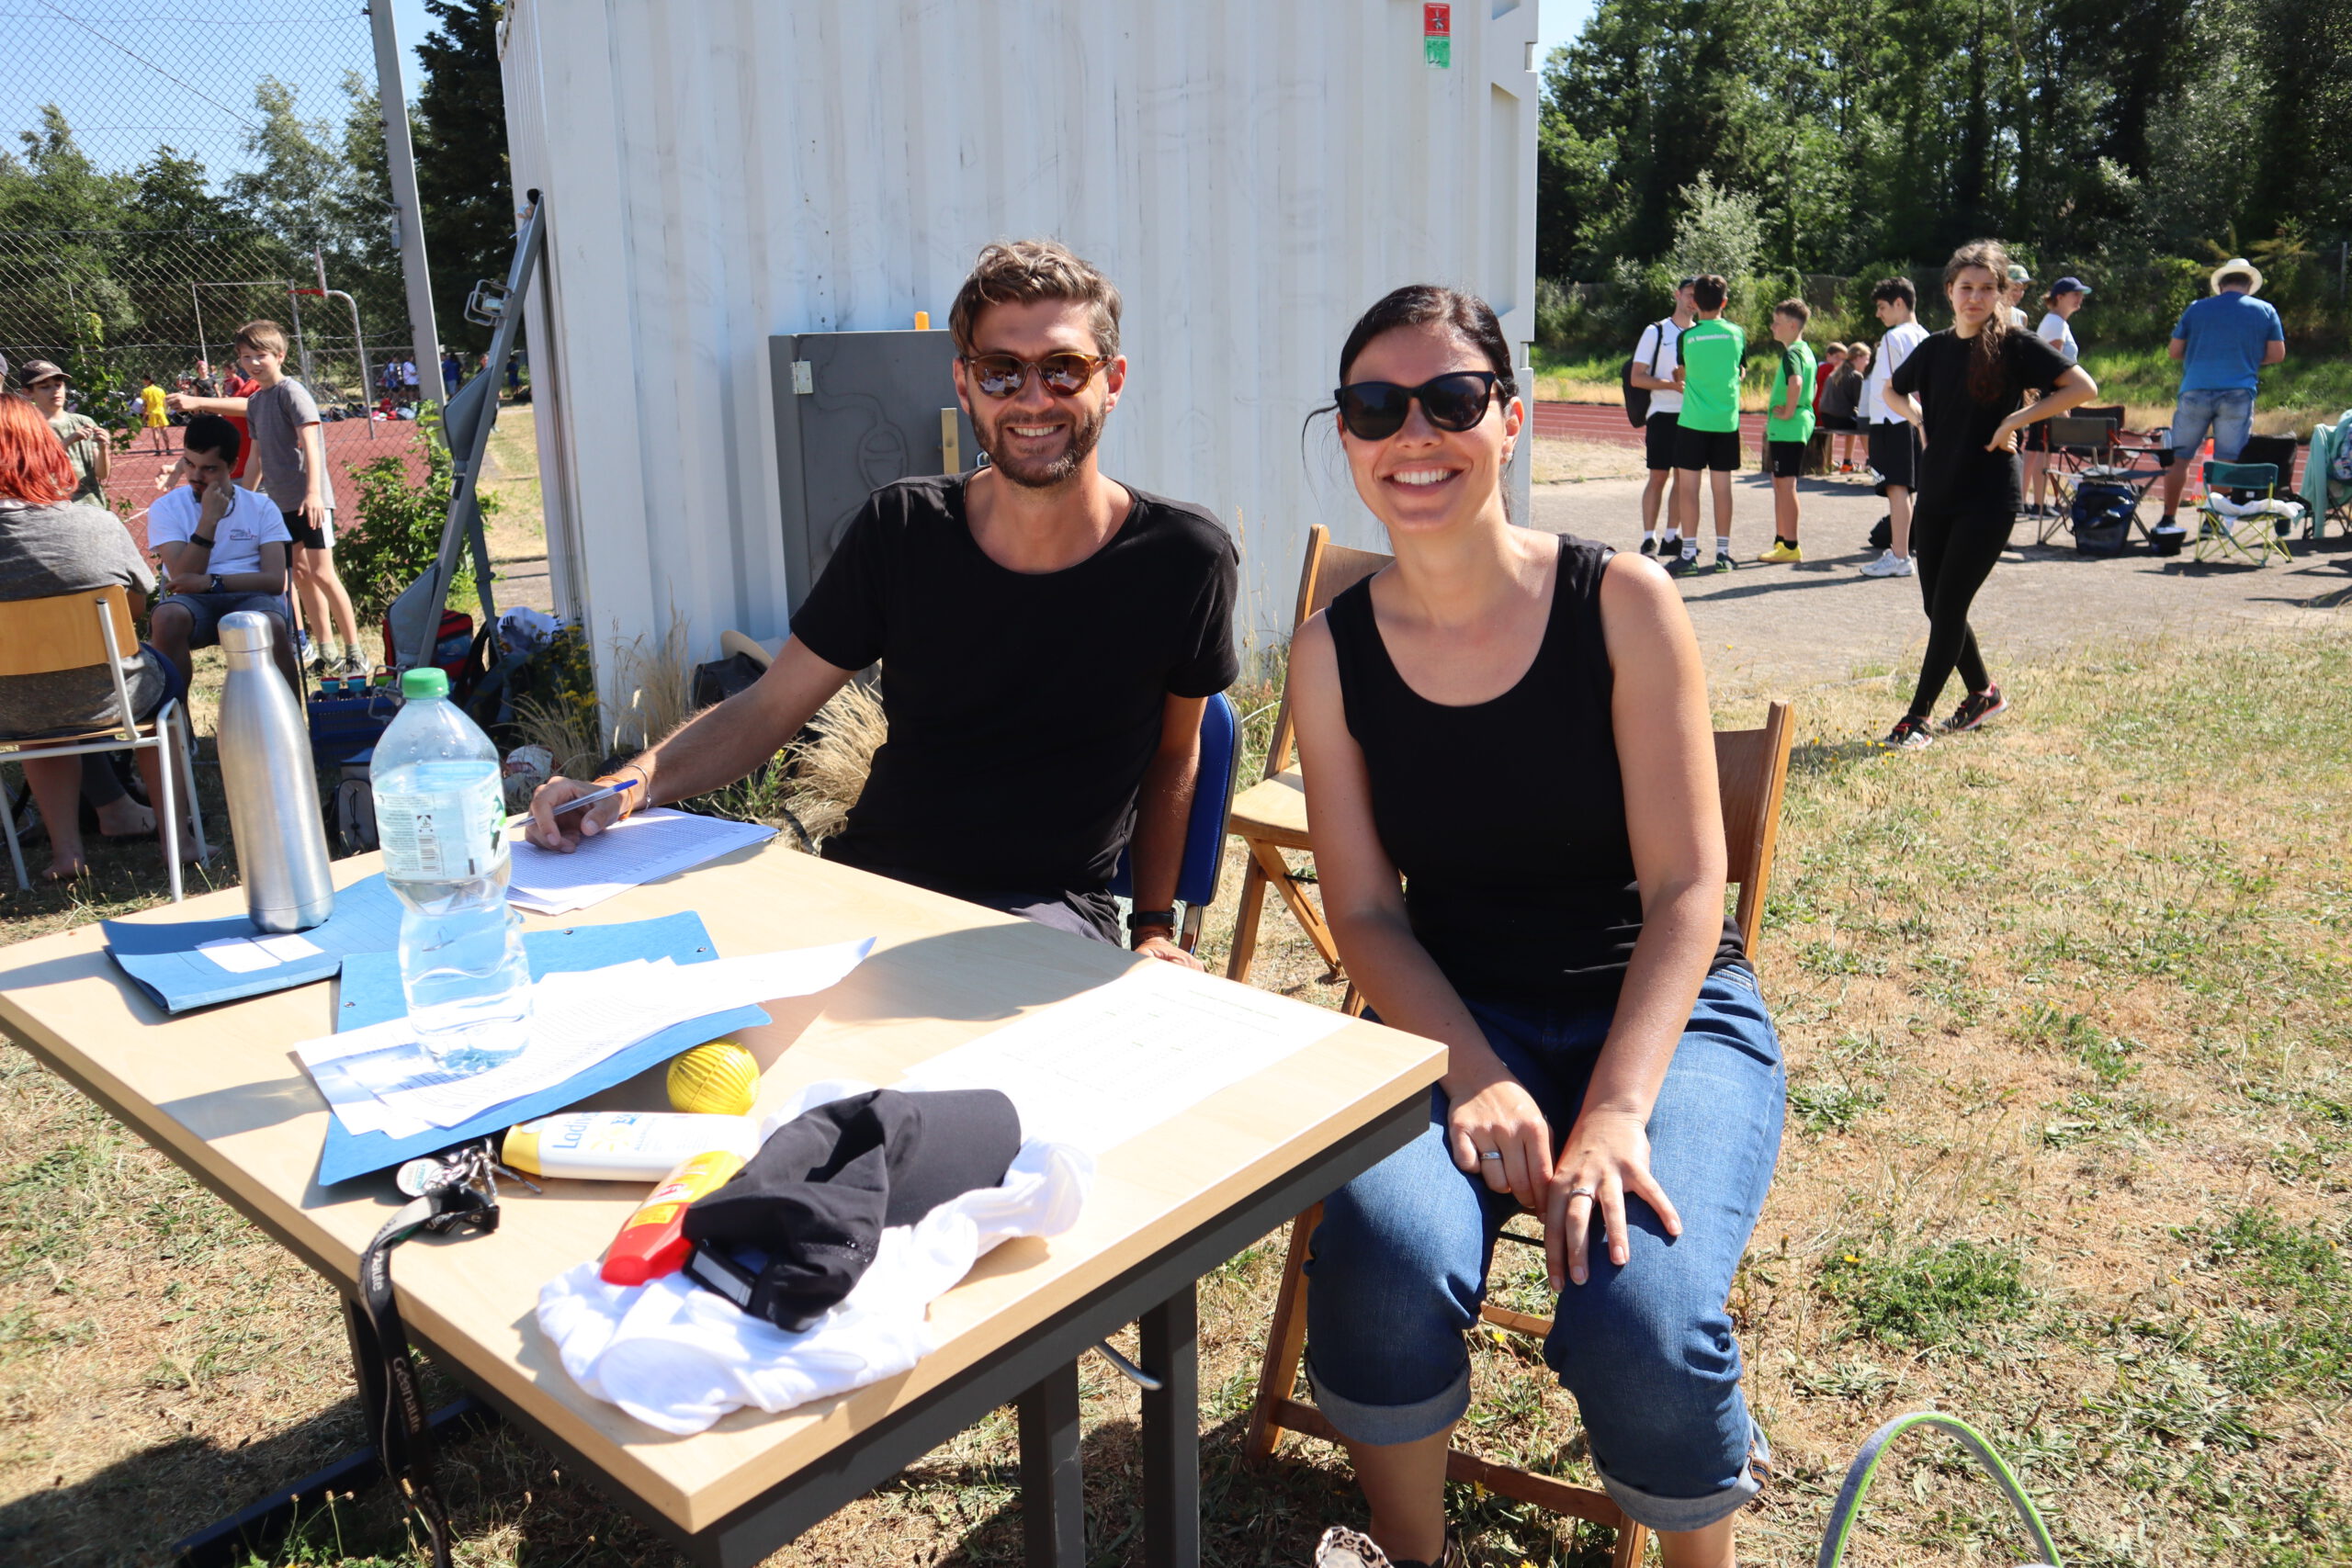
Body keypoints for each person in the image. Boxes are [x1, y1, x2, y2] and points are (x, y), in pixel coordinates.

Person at [1289, 283, 1783, 1568]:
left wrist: (1613, 1110)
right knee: (1379, 1256)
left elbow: (1689, 889)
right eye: (1375, 407)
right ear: (1347, 435)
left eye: (1451, 399)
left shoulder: (1621, 600)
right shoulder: (1330, 653)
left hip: (1663, 1015)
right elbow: (1363, 911)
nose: (1414, 434)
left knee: (1638, 1305)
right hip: (1457, 1012)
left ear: (1509, 419)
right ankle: (1410, 1551)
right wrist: (1475, 1069)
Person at [526, 240, 1236, 964]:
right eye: (1000, 370)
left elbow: (1177, 751)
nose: (1031, 397)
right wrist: (625, 786)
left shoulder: (1184, 557)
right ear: (964, 384)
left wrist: (1153, 926)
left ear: (1111, 380)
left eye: (1063, 367)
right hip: (872, 884)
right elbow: (769, 708)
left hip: (1046, 909)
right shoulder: (902, 529)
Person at [1876, 240, 2096, 751]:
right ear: (1949, 291)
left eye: (1986, 288)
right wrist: (1918, 419)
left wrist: (2016, 419)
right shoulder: (1933, 348)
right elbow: (1891, 389)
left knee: (1950, 606)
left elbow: (2082, 387)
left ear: (2000, 294)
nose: (1975, 297)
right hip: (1937, 489)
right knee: (1937, 606)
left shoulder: (2015, 345)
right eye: (1966, 287)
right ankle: (1983, 693)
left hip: (1989, 494)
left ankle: (1917, 718)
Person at [0, 396, 198, 880]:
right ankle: (179, 841)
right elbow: (133, 610)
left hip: (10, 708)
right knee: (162, 687)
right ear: (45, 449)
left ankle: (66, 854)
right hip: (113, 696)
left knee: (34, 709)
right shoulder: (96, 523)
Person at [170, 321, 368, 677]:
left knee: (323, 573)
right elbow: (257, 456)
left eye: (260, 355)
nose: (253, 363)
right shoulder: (257, 401)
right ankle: (327, 652)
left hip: (309, 501)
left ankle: (356, 652)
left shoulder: (292, 393)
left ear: (280, 356)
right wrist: (245, 498)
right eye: (246, 357)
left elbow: (311, 445)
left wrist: (313, 493)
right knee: (300, 576)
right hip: (279, 504)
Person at [146, 414, 300, 693]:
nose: (195, 476)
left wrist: (211, 582)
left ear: (232, 466)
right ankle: (176, 717)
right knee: (166, 617)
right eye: (189, 464)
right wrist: (209, 520)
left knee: (271, 624)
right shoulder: (166, 508)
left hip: (252, 597)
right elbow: (183, 577)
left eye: (209, 469)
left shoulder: (262, 507)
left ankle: (290, 717)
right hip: (193, 601)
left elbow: (275, 581)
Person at [2154, 257, 2286, 531]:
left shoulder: (2197, 308)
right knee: (2226, 459)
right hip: (2238, 391)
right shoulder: (2265, 310)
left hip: (2195, 388)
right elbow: (2277, 354)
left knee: (2180, 457)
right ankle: (2213, 521)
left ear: (2221, 284)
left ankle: (2168, 518)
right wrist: (2247, 359)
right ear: (2249, 285)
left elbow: (2174, 351)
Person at [1669, 274, 1744, 573]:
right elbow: (1740, 370)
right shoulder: (1737, 333)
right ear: (1724, 302)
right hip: (1726, 422)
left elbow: (1682, 372)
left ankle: (1688, 555)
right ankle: (1723, 554)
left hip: (1693, 421)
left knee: (1688, 488)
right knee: (1722, 489)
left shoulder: (1686, 337)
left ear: (1695, 303)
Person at [1860, 279, 1927, 578]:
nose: (1879, 314)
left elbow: (1893, 387)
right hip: (1909, 421)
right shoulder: (1925, 335)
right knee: (1904, 490)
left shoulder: (1893, 337)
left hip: (1892, 421)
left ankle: (1900, 556)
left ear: (1899, 303)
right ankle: (1900, 551)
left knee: (1897, 489)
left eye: (1882, 307)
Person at [1628, 278, 1695, 560]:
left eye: (1697, 296)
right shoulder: (1656, 331)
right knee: (1658, 476)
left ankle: (1671, 536)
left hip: (1691, 415)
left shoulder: (1700, 333)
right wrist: (1671, 385)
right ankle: (1648, 538)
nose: (1693, 300)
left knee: (1683, 478)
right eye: (1689, 294)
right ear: (1677, 294)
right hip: (1662, 414)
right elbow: (1636, 377)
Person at [2022, 277, 2091, 519]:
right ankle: (2037, 504)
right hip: (2049, 394)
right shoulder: (2055, 323)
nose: (2080, 298)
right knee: (2041, 448)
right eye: (2075, 294)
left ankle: (2032, 502)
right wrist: (2060, 401)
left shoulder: (2057, 322)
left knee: (2040, 448)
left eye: (2081, 294)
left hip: (2048, 393)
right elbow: (2053, 366)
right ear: (2059, 297)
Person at [1758, 301, 1815, 562]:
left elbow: (1796, 382)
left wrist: (1789, 411)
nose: (1772, 327)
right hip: (1794, 426)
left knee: (1786, 484)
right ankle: (1782, 540)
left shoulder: (1792, 353)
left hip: (1789, 427)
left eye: (1777, 322)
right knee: (1780, 483)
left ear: (1792, 326)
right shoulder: (1806, 351)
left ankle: (1790, 545)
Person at [17, 359, 108, 505]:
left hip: (93, 506)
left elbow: (102, 474)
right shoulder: (27, 428)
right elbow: (35, 470)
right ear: (28, 393)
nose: (55, 391)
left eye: (58, 385)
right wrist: (68, 441)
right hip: (56, 509)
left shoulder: (84, 421)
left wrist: (103, 448)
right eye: (45, 387)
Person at [1820, 344, 1867, 472]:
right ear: (1858, 358)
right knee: (1865, 424)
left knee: (1854, 419)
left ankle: (1845, 462)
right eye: (1866, 359)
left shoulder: (1835, 373)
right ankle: (1869, 461)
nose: (1867, 363)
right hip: (1840, 419)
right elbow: (1861, 404)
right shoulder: (1856, 375)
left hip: (1826, 418)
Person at [138, 375, 170, 456]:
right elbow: (164, 402)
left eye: (144, 380)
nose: (143, 381)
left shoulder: (145, 391)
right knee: (164, 431)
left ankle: (158, 449)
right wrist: (166, 411)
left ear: (148, 381)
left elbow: (144, 404)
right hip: (161, 411)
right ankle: (168, 449)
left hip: (152, 412)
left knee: (155, 431)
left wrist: (144, 414)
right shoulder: (160, 390)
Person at [2003, 265, 2032, 330]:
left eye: (2022, 289)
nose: (2018, 294)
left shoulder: (2022, 317)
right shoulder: (1986, 314)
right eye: (2014, 289)